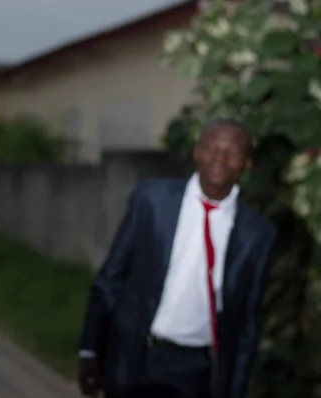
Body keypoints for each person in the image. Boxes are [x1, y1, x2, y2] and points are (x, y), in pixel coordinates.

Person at [78, 121, 276, 398]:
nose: (219, 158)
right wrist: (90, 349)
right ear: (196, 153)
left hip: (195, 370)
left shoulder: (257, 234)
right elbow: (111, 277)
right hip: (134, 356)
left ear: (247, 164)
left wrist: (236, 388)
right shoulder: (152, 200)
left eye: (232, 152)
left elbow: (247, 326)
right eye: (211, 148)